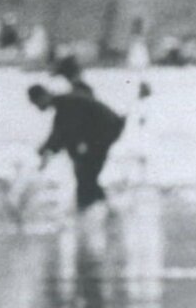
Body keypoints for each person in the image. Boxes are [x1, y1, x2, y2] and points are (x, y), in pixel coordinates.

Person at [28, 78, 125, 216]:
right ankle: (103, 210)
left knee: (85, 175)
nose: (37, 108)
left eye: (37, 103)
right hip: (103, 133)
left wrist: (47, 150)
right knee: (85, 175)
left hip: (106, 132)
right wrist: (47, 150)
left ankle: (89, 211)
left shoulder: (66, 105)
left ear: (43, 96)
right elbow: (61, 131)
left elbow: (64, 133)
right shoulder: (64, 104)